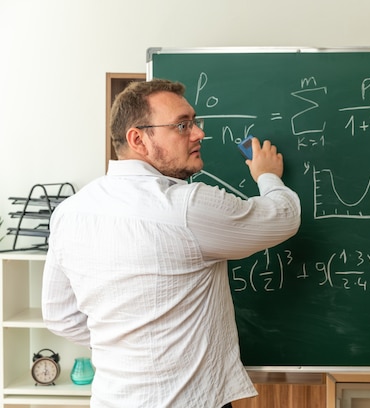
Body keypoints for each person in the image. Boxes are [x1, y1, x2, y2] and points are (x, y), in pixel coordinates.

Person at [41, 79, 301, 408]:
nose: (198, 134)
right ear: (138, 139)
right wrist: (267, 175)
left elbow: (60, 317)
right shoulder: (186, 206)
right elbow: (283, 217)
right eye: (182, 125)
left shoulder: (70, 212)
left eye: (194, 122)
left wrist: (128, 346)